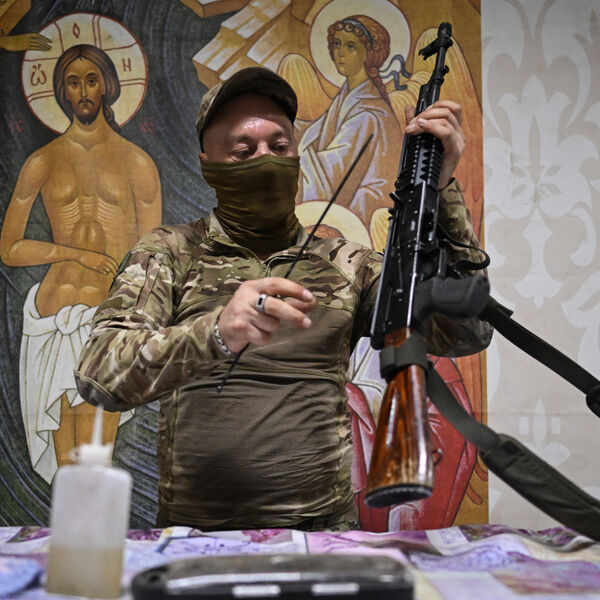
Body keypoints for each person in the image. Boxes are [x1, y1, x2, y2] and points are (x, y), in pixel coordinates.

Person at [74, 66, 492, 531]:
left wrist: (442, 191)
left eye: (280, 147)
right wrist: (215, 333)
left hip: (323, 536)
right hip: (197, 537)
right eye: (243, 151)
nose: (266, 161)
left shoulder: (348, 262)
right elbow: (100, 376)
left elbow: (467, 332)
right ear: (207, 164)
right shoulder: (171, 252)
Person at [0, 44, 161, 483]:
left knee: (95, 454)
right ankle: (67, 527)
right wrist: (74, 253)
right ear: (62, 92)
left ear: (107, 85)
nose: (84, 91)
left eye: (91, 80)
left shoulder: (137, 162)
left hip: (106, 316)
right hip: (53, 315)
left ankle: (94, 528)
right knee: (66, 463)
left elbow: (152, 255)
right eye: (74, 83)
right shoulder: (43, 161)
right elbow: (9, 249)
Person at [297, 14, 402, 223]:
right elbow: (319, 131)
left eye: (350, 46)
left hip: (364, 211)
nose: (340, 53)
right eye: (337, 44)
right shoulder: (348, 96)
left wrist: (292, 164)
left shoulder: (368, 113)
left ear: (367, 54)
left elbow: (333, 172)